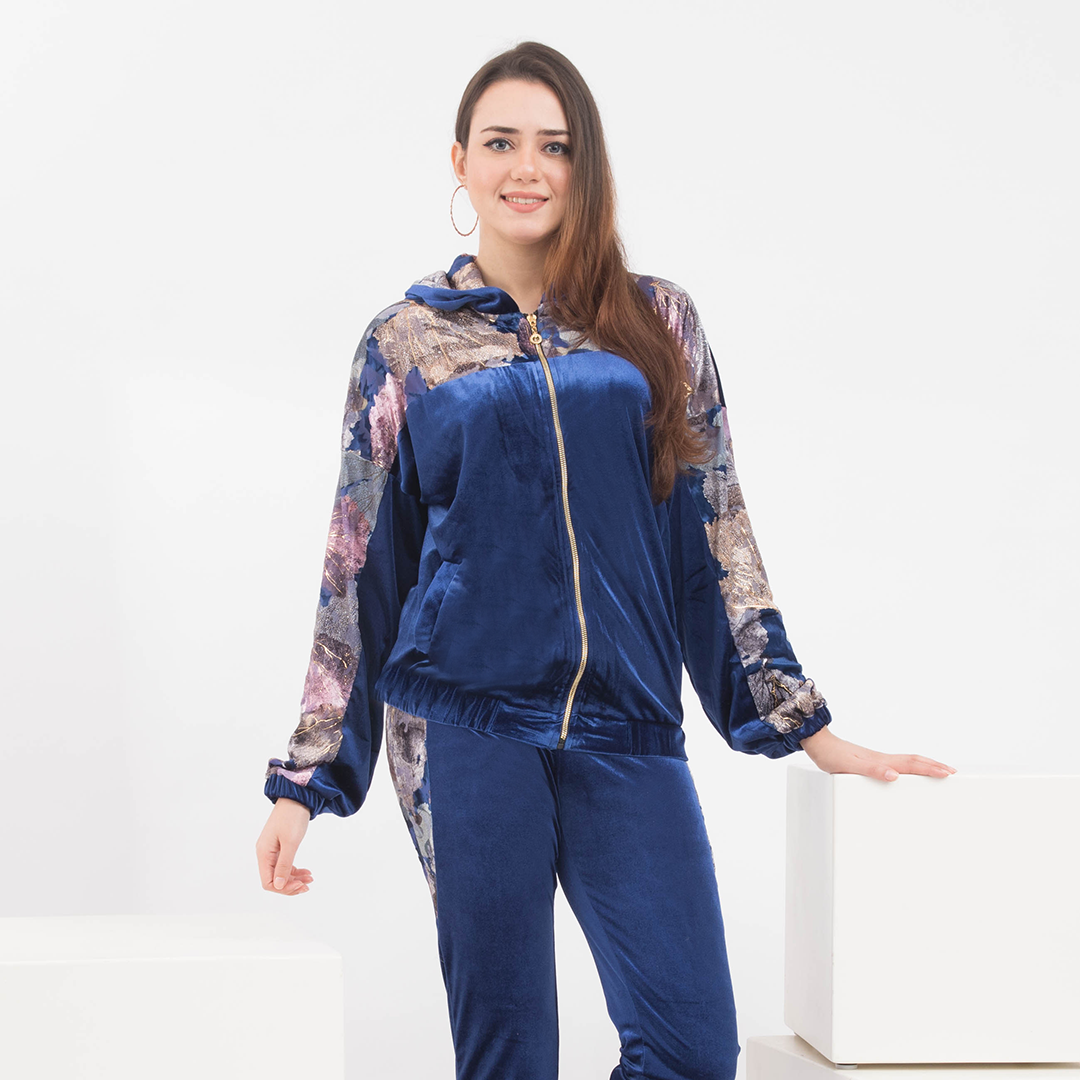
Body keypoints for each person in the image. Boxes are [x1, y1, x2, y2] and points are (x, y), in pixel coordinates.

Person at [255, 40, 956, 1080]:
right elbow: (360, 567)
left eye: (555, 146)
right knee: (508, 1057)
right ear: (460, 162)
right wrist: (306, 780)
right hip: (465, 725)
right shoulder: (405, 345)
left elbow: (716, 532)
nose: (527, 168)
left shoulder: (655, 321)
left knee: (690, 1050)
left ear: (585, 164)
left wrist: (806, 725)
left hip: (628, 721)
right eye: (501, 143)